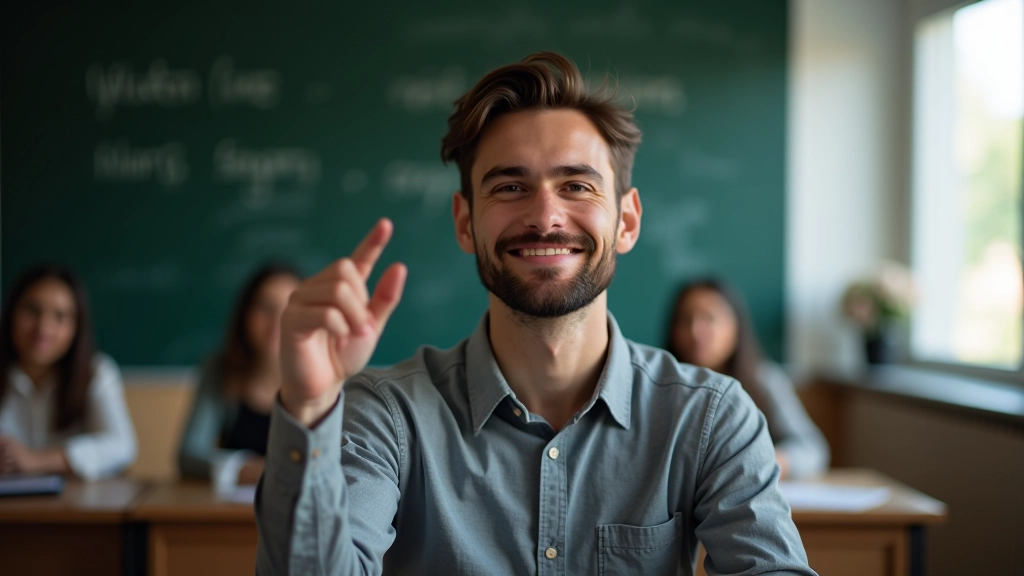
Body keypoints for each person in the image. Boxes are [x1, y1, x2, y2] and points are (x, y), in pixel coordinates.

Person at [255, 53, 816, 575]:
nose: (546, 217)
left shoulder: (711, 417)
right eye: (510, 186)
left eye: (576, 185)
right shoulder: (386, 416)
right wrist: (308, 404)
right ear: (465, 222)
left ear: (626, 221)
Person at [666, 278, 830, 480]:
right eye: (686, 320)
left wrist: (765, 462)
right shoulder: (658, 384)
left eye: (709, 318)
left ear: (736, 325)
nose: (695, 331)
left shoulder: (764, 380)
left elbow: (812, 449)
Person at [0, 265, 136, 481]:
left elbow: (122, 447)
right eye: (32, 311)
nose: (43, 328)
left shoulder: (96, 372)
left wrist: (35, 460)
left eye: (60, 316)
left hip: (72, 510)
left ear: (76, 327)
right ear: (11, 313)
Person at [178, 263, 301, 487]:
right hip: (230, 514)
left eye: (288, 309)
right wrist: (243, 469)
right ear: (245, 313)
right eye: (265, 307)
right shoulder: (219, 369)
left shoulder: (323, 379)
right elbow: (188, 456)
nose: (276, 321)